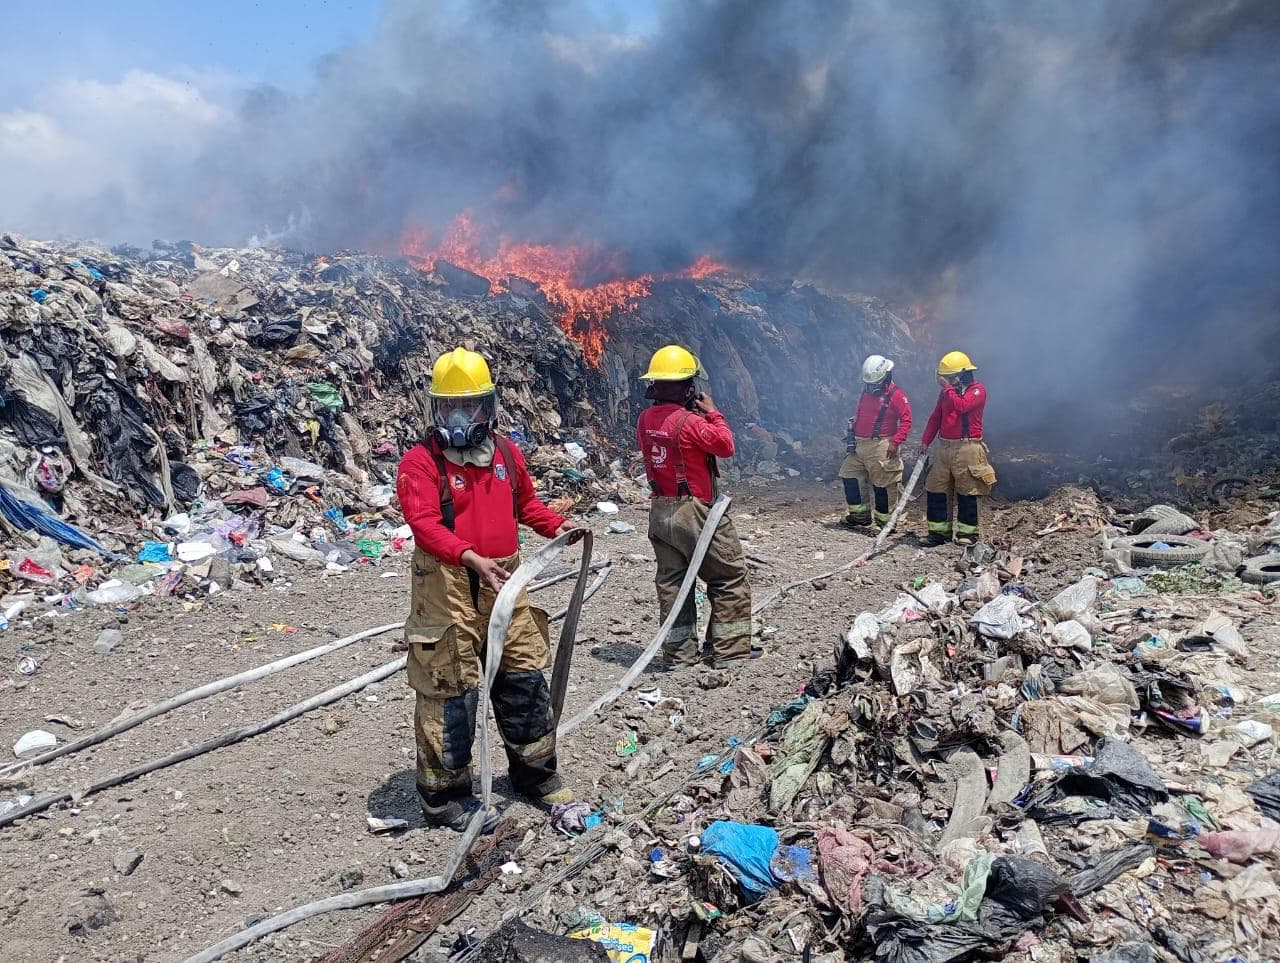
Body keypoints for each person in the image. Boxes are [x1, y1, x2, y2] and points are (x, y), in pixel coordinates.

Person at [396, 347, 581, 832]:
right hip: (448, 584)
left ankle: (535, 775)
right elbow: (424, 527)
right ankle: (444, 796)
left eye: (470, 406)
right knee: (450, 689)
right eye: (449, 407)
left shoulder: (505, 453)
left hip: (508, 579)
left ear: (489, 407)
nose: (459, 417)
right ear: (434, 409)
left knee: (523, 678)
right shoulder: (420, 464)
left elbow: (528, 506)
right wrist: (470, 556)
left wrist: (562, 526)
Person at [636, 345, 756, 669]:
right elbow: (726, 445)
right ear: (689, 387)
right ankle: (729, 653)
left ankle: (679, 657)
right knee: (728, 577)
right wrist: (714, 412)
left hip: (660, 511)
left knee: (673, 584)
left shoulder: (645, 420)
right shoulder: (689, 422)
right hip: (695, 512)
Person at [917, 350, 996, 545]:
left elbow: (962, 406)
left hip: (968, 447)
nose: (945, 382)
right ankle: (938, 533)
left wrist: (948, 389)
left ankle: (968, 534)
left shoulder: (978, 390)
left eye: (949, 378)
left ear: (960, 375)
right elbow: (936, 417)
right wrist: (926, 441)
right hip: (945, 448)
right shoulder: (947, 394)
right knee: (936, 488)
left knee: (967, 491)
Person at [837, 354, 912, 529]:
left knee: (883, 485)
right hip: (860, 444)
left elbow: (906, 421)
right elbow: (862, 412)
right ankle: (859, 516)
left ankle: (885, 523)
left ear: (886, 376)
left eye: (875, 384)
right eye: (869, 384)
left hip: (881, 446)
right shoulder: (866, 392)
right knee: (850, 475)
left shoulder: (897, 395)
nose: (871, 388)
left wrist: (896, 442)